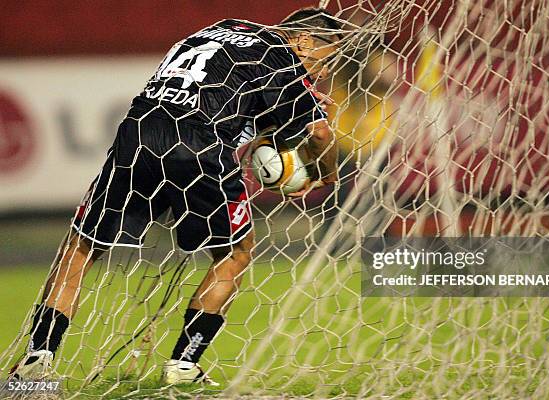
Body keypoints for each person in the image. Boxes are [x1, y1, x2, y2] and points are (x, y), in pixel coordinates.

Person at [9, 7, 342, 385]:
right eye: (326, 58)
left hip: (138, 132)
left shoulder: (225, 27)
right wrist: (324, 174)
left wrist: (275, 119)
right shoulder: (282, 60)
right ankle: (184, 364)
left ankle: (39, 356)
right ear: (302, 40)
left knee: (82, 246)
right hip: (197, 146)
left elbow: (225, 86)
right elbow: (319, 136)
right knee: (234, 252)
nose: (326, 71)